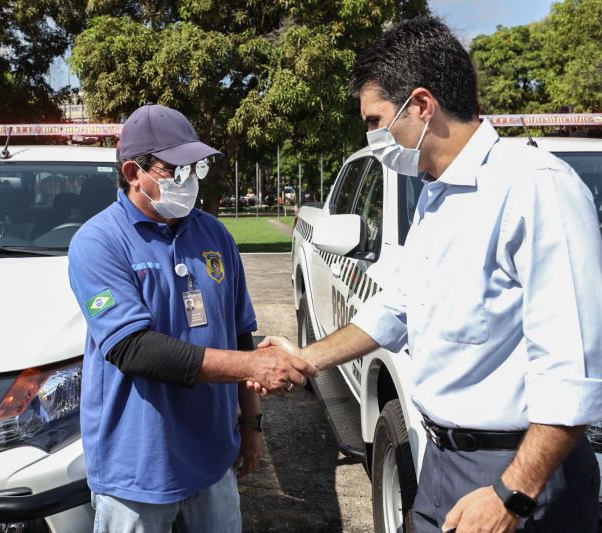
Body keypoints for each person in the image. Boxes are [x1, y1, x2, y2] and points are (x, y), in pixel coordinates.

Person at [259, 16, 602, 533]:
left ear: (420, 105)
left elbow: (573, 374)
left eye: (375, 120)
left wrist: (512, 497)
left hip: (518, 475)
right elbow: (395, 308)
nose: (372, 135)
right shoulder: (436, 196)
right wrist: (306, 359)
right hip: (440, 463)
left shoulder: (534, 190)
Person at [68, 103, 317, 533]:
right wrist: (255, 365)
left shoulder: (214, 234)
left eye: (195, 168)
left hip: (212, 456)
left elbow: (240, 332)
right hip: (138, 471)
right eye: (176, 170)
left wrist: (252, 425)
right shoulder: (98, 243)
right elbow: (135, 349)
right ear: (133, 173)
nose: (190, 181)